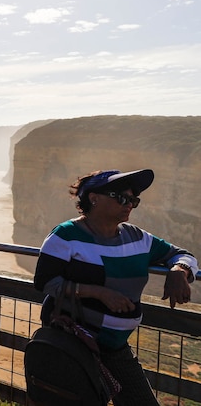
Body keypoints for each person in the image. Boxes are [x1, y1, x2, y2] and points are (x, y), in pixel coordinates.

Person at [34, 169, 196, 406]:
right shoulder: (66, 235)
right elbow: (45, 282)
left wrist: (179, 270)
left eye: (133, 200)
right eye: (121, 197)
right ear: (93, 198)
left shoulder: (138, 238)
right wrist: (98, 293)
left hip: (115, 348)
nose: (129, 204)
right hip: (74, 343)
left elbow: (182, 254)